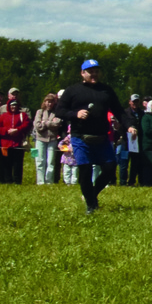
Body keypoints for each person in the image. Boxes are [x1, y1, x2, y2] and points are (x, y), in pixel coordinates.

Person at [54, 58, 128, 213]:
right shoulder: (72, 90)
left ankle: (92, 194)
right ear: (82, 73)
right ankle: (90, 205)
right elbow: (59, 111)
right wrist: (75, 114)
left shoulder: (106, 90)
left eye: (96, 71)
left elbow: (118, 110)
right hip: (80, 137)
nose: (94, 74)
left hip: (101, 136)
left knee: (109, 168)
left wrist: (130, 125)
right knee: (85, 171)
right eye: (90, 71)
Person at [0, 98, 32, 183]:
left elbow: (27, 124)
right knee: (6, 163)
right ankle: (7, 180)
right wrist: (7, 130)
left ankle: (17, 181)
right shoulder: (3, 116)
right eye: (12, 105)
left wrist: (17, 130)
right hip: (5, 144)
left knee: (18, 163)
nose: (14, 107)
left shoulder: (22, 115)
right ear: (8, 106)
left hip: (18, 143)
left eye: (15, 105)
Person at [32, 94, 64, 185]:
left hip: (52, 139)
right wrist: (50, 123)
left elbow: (57, 124)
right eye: (48, 101)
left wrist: (44, 123)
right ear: (44, 102)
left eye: (51, 102)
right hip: (40, 139)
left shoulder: (57, 112)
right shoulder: (40, 112)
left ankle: (49, 181)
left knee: (51, 161)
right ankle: (40, 181)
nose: (49, 104)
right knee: (40, 160)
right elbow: (37, 126)